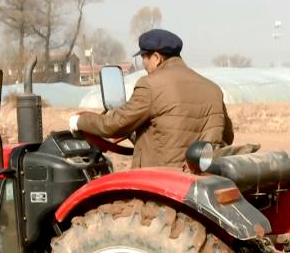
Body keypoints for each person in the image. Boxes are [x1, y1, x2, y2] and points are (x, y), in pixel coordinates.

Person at [70, 28, 234, 169]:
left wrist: (79, 121)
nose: (144, 65)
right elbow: (227, 136)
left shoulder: (150, 85)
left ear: (156, 57)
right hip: (201, 178)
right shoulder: (212, 89)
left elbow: (115, 124)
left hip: (161, 180)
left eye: (144, 58)